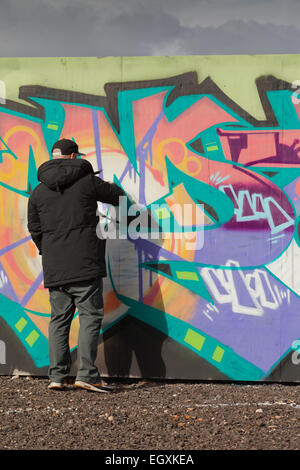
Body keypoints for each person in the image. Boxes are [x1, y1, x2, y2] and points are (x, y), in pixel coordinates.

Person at [27, 138, 124, 392]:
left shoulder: (37, 191)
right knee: (90, 317)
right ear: (73, 157)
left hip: (55, 266)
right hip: (85, 263)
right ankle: (86, 374)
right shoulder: (87, 182)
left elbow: (34, 228)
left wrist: (47, 250)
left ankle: (57, 377)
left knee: (59, 320)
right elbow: (117, 196)